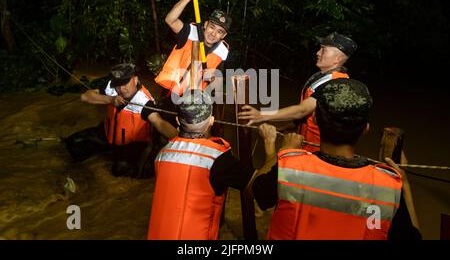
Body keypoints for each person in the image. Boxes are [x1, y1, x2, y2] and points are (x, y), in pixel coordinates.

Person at [251, 78, 422, 240]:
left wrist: (281, 152)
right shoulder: (387, 186)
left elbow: (257, 191)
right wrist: (404, 184)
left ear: (315, 119)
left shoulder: (290, 168)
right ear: (366, 129)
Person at [147, 91, 254, 240]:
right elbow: (257, 186)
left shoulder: (163, 154)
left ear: (178, 120)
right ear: (211, 121)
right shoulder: (217, 159)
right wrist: (270, 146)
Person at [239, 32, 356, 152]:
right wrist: (285, 127)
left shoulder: (336, 84)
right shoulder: (323, 77)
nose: (318, 53)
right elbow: (308, 115)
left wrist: (261, 115)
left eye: (323, 50)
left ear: (337, 59)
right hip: (304, 143)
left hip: (317, 150)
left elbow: (303, 110)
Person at [64, 63, 178, 178]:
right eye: (118, 85)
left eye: (125, 84)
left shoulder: (144, 102)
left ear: (135, 79)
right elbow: (85, 96)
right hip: (108, 133)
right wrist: (110, 99)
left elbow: (160, 123)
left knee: (119, 171)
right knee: (74, 143)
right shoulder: (112, 88)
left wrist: (180, 140)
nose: (121, 89)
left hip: (130, 144)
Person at [155, 0, 231, 96]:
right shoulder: (190, 32)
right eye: (212, 27)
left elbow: (218, 84)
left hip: (194, 102)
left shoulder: (222, 52)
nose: (213, 33)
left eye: (219, 32)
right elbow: (170, 20)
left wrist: (213, 78)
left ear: (223, 36)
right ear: (205, 24)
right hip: (171, 93)